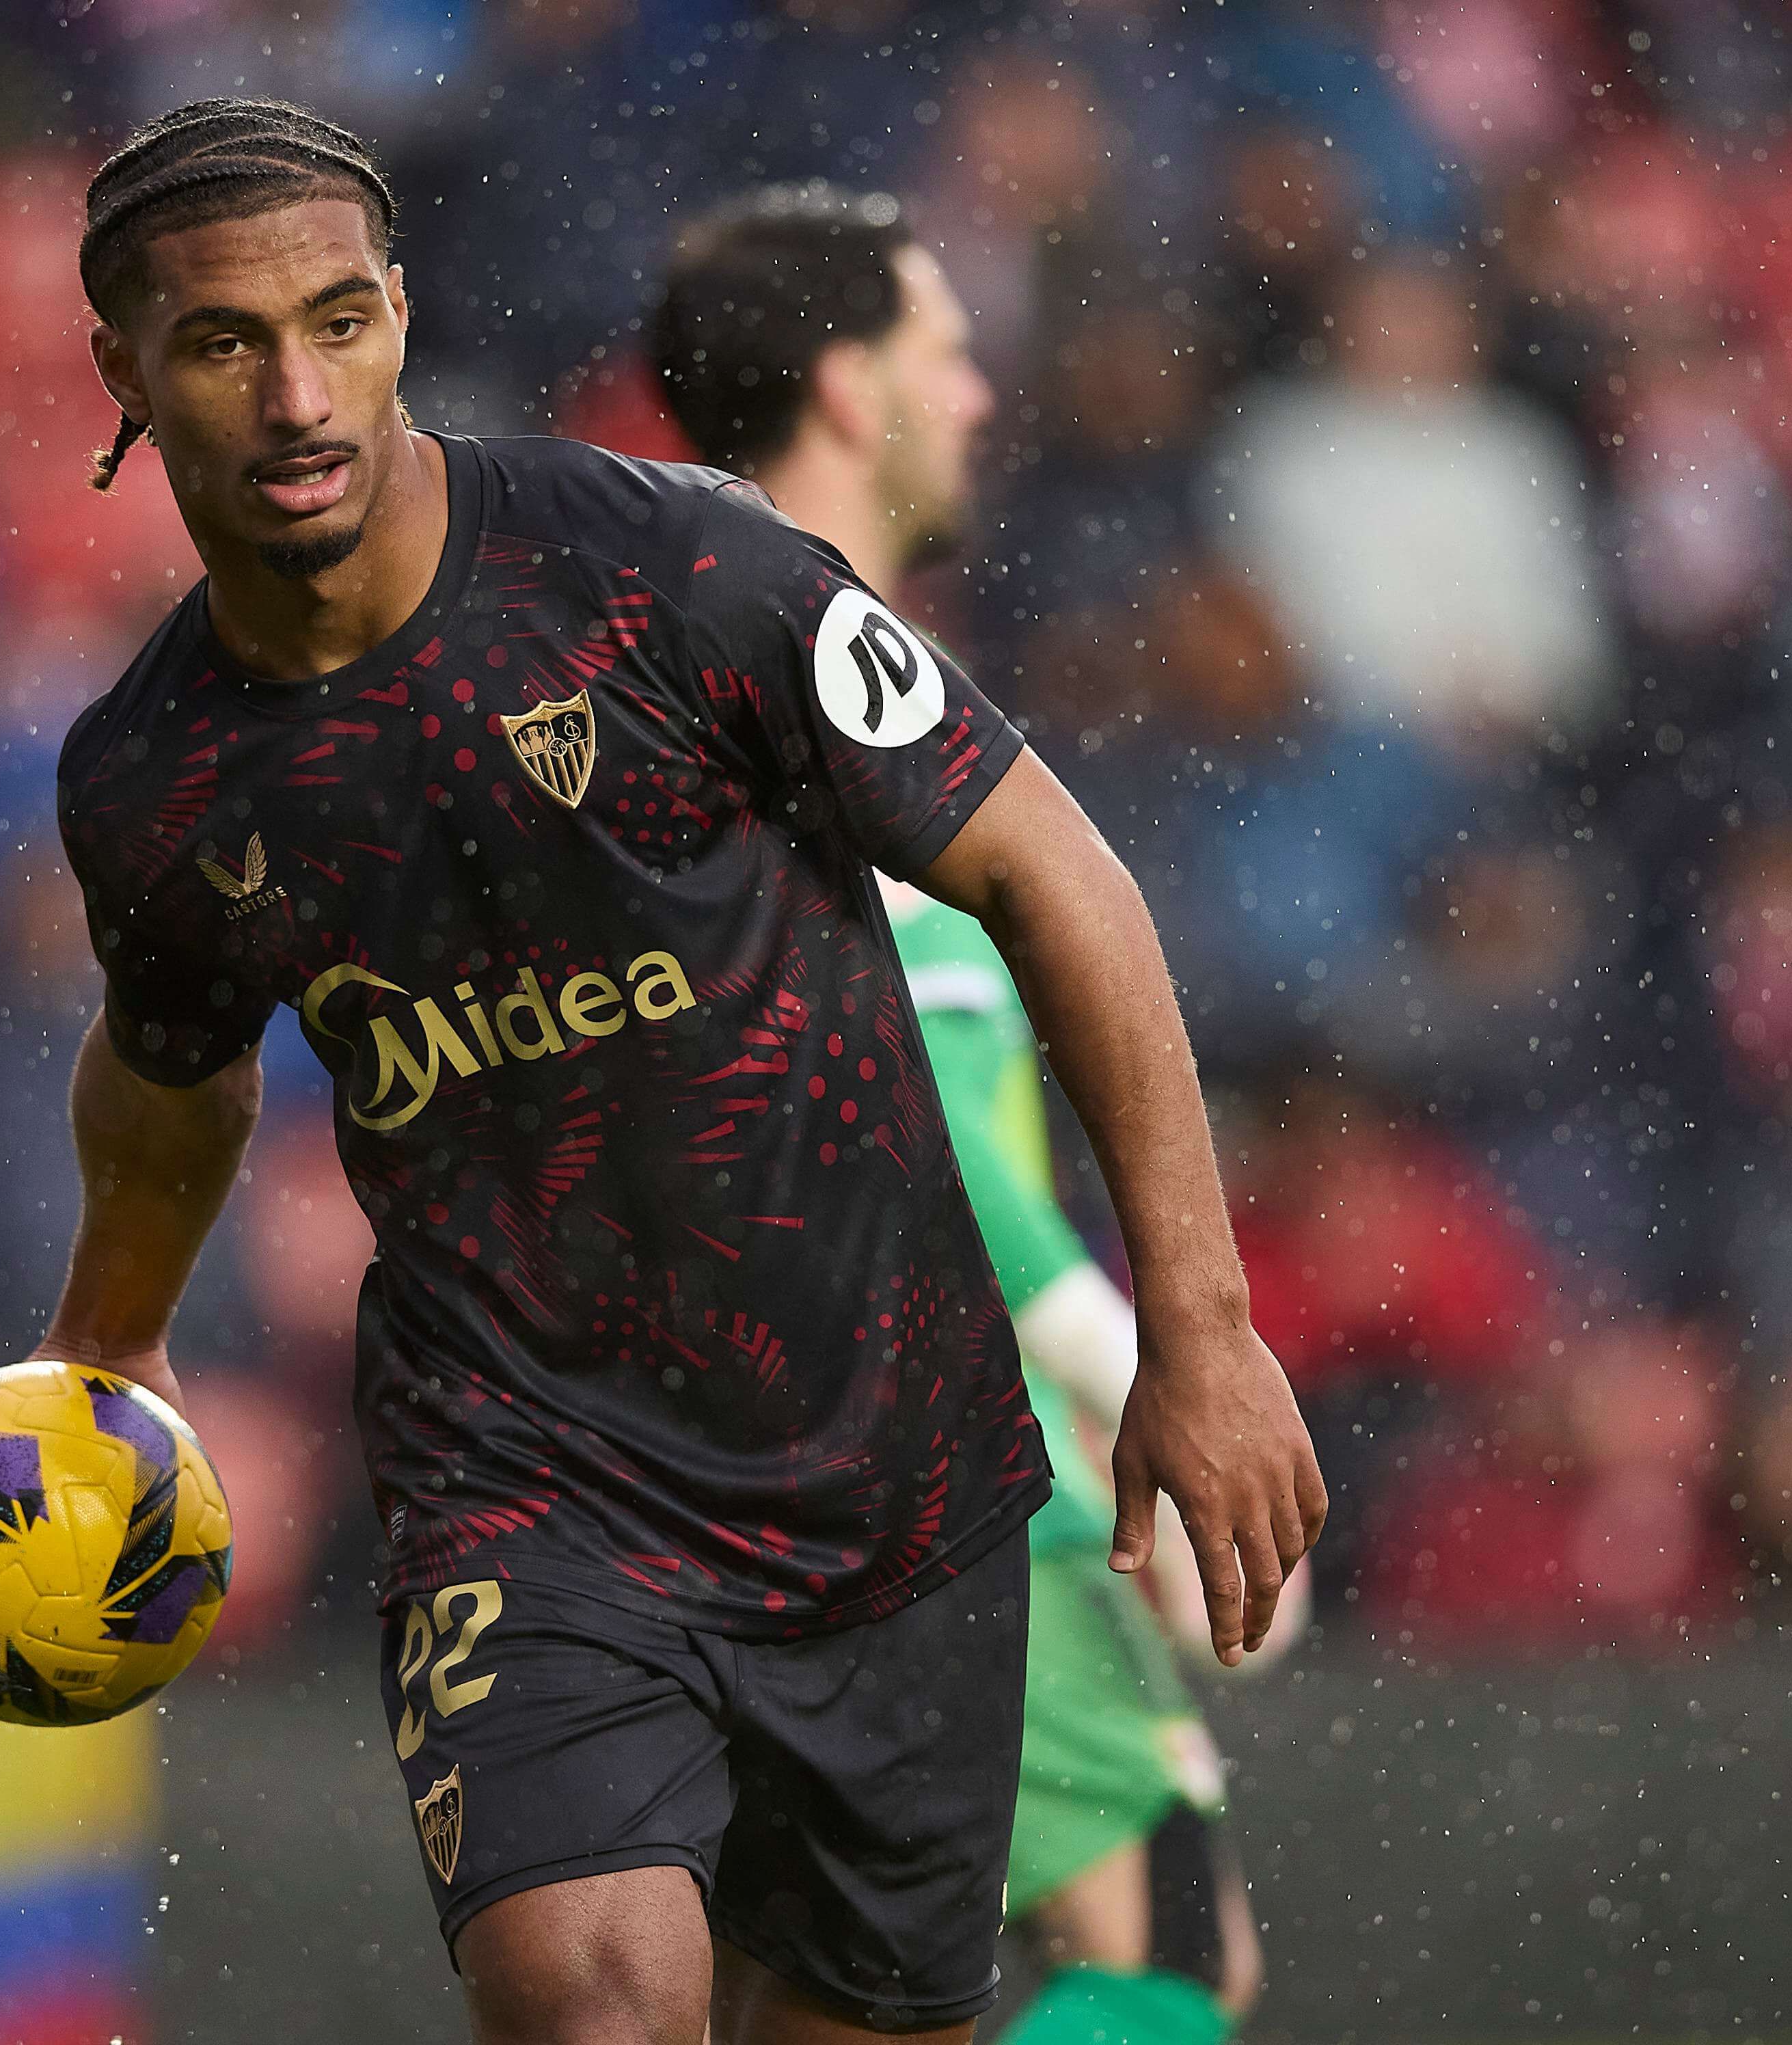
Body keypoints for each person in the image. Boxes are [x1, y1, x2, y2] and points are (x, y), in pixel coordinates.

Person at [42, 102, 1324, 2045]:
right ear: (125, 367)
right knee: (592, 2005)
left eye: (339, 322)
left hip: (893, 1484)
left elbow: (1058, 874)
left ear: (400, 314)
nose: (298, 394)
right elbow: (168, 1071)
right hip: (526, 1489)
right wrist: (105, 1353)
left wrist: (1201, 1336)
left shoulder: (679, 573)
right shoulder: (155, 783)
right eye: (223, 343)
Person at [649, 185, 1297, 2045]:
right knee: (1166, 1955)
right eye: (948, 350)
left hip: (748, 1453)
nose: (987, 394)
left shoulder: (694, 657)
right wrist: (1121, 1355)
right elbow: (908, 1099)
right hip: (930, 1459)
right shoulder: (807, 686)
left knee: (804, 2001)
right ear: (852, 389)